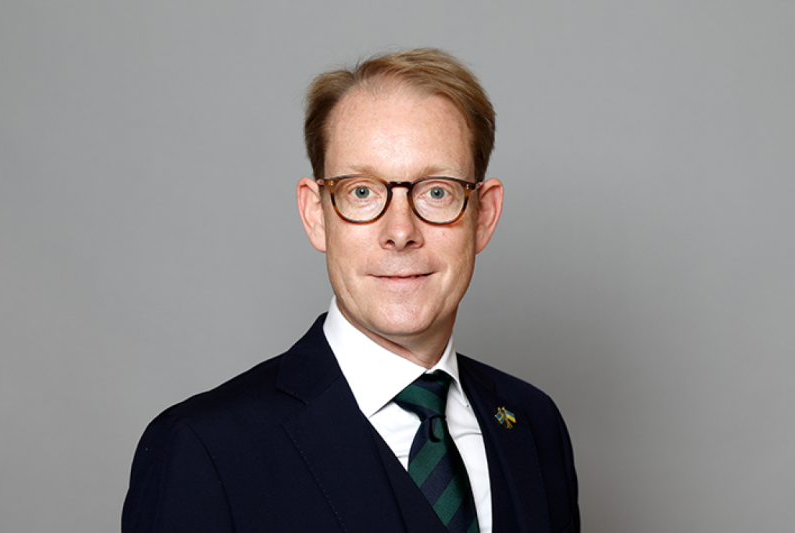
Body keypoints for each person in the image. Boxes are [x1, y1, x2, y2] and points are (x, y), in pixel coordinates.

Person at [122, 48, 580, 533]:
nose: (400, 232)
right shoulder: (204, 449)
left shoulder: (533, 425)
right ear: (316, 215)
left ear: (483, 216)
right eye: (362, 191)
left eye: (436, 191)